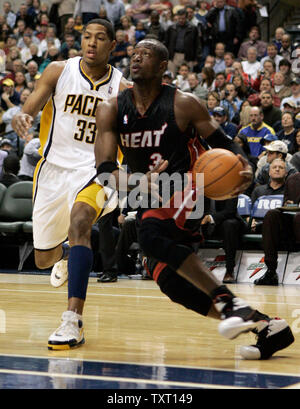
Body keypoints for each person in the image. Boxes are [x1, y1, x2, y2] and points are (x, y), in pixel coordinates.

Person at [94, 38, 294, 360]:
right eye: (134, 54)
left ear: (162, 67)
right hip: (149, 192)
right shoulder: (112, 108)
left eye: (145, 55)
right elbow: (104, 171)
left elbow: (223, 141)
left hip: (190, 182)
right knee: (169, 281)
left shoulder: (184, 103)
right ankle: (266, 326)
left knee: (148, 232)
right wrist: (137, 181)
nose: (136, 58)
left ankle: (231, 304)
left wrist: (243, 163)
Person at [12, 18, 130, 350]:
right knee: (42, 259)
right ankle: (65, 254)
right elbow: (31, 105)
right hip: (53, 171)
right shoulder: (58, 70)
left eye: (100, 38)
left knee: (80, 222)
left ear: (112, 45)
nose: (92, 42)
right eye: (87, 37)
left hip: (97, 170)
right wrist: (24, 116)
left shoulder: (122, 88)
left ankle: (72, 319)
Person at [255, 170, 300, 285]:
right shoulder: (292, 179)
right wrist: (288, 204)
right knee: (271, 215)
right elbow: (287, 204)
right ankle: (271, 271)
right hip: (293, 224)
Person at [201, 197, 247, 283]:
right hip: (204, 223)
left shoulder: (228, 186)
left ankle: (229, 270)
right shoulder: (199, 187)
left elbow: (230, 211)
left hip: (224, 221)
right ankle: (186, 269)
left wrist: (210, 218)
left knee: (229, 224)